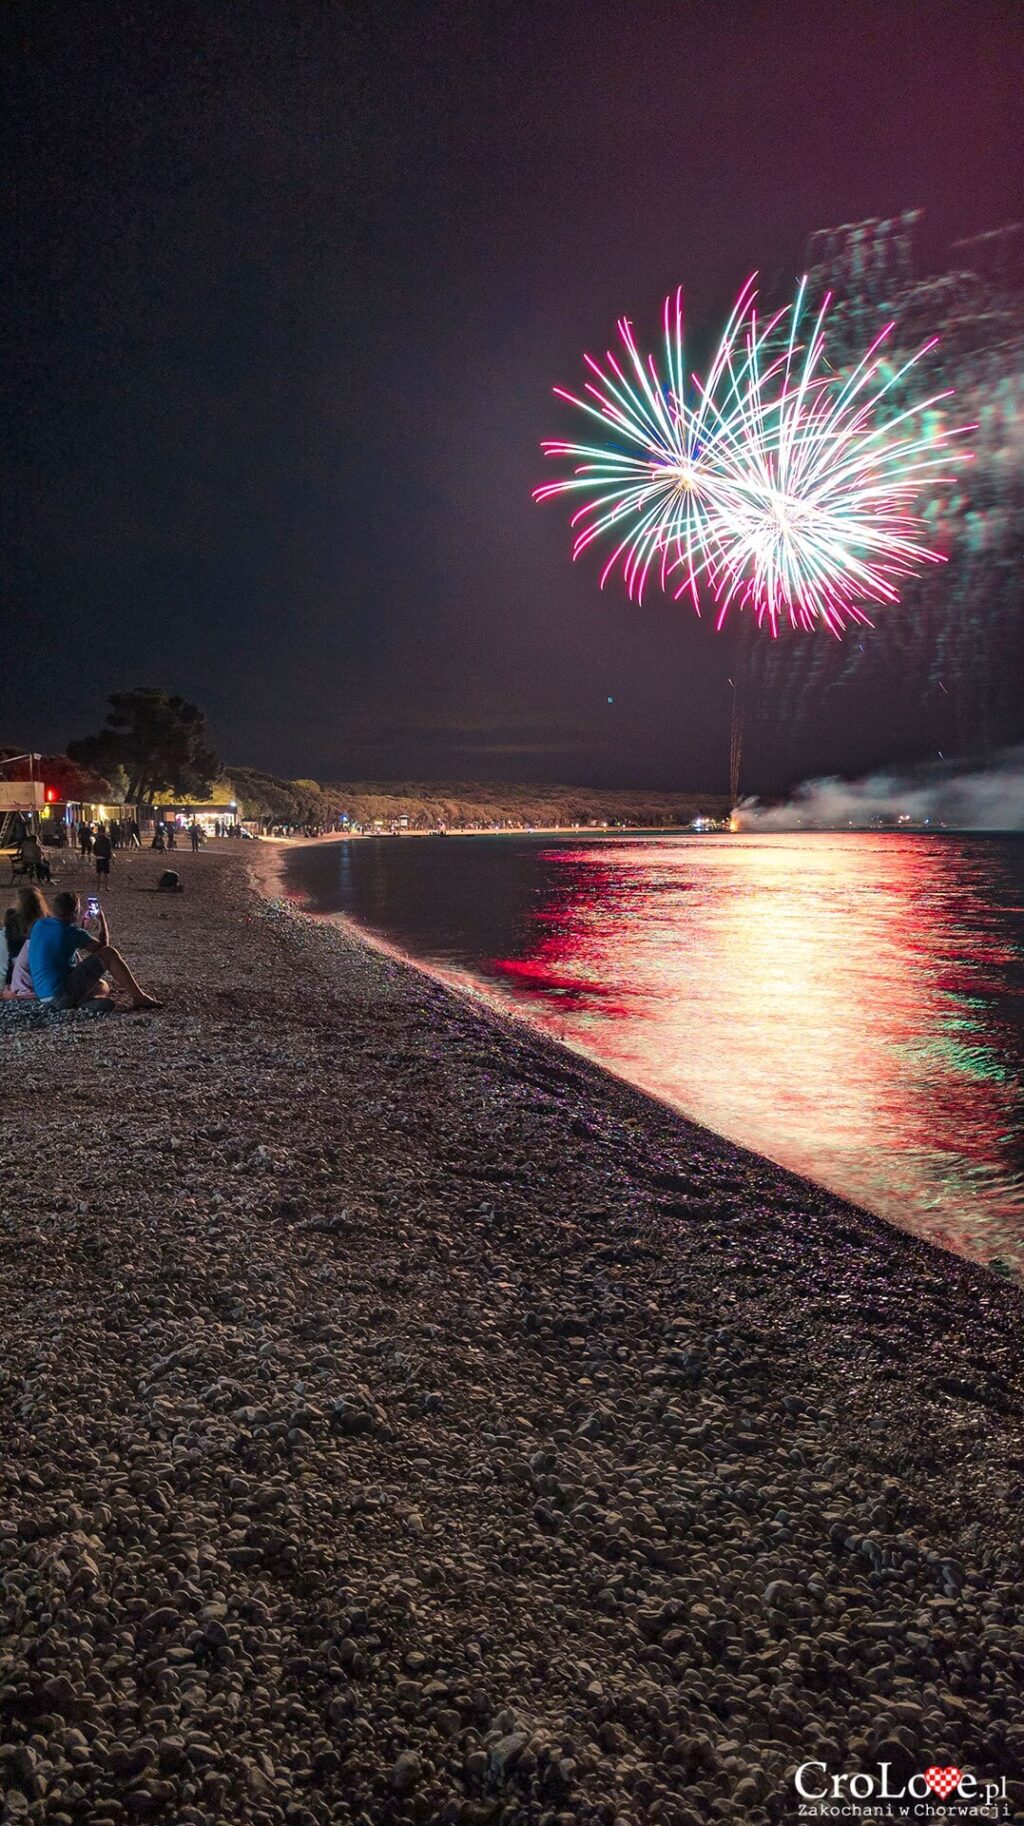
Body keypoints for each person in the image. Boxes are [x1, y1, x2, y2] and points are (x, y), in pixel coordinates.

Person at [28, 891, 160, 1011]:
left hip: (44, 994)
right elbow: (104, 949)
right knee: (109, 953)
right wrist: (101, 920)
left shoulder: (40, 924)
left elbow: (60, 942)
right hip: (61, 993)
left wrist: (82, 929)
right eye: (79, 909)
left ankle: (82, 1003)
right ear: (74, 912)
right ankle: (139, 997)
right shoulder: (71, 932)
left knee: (102, 985)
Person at [2, 886, 50, 999]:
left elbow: (12, 951)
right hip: (43, 973)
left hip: (20, 971)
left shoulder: (12, 917)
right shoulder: (47, 921)